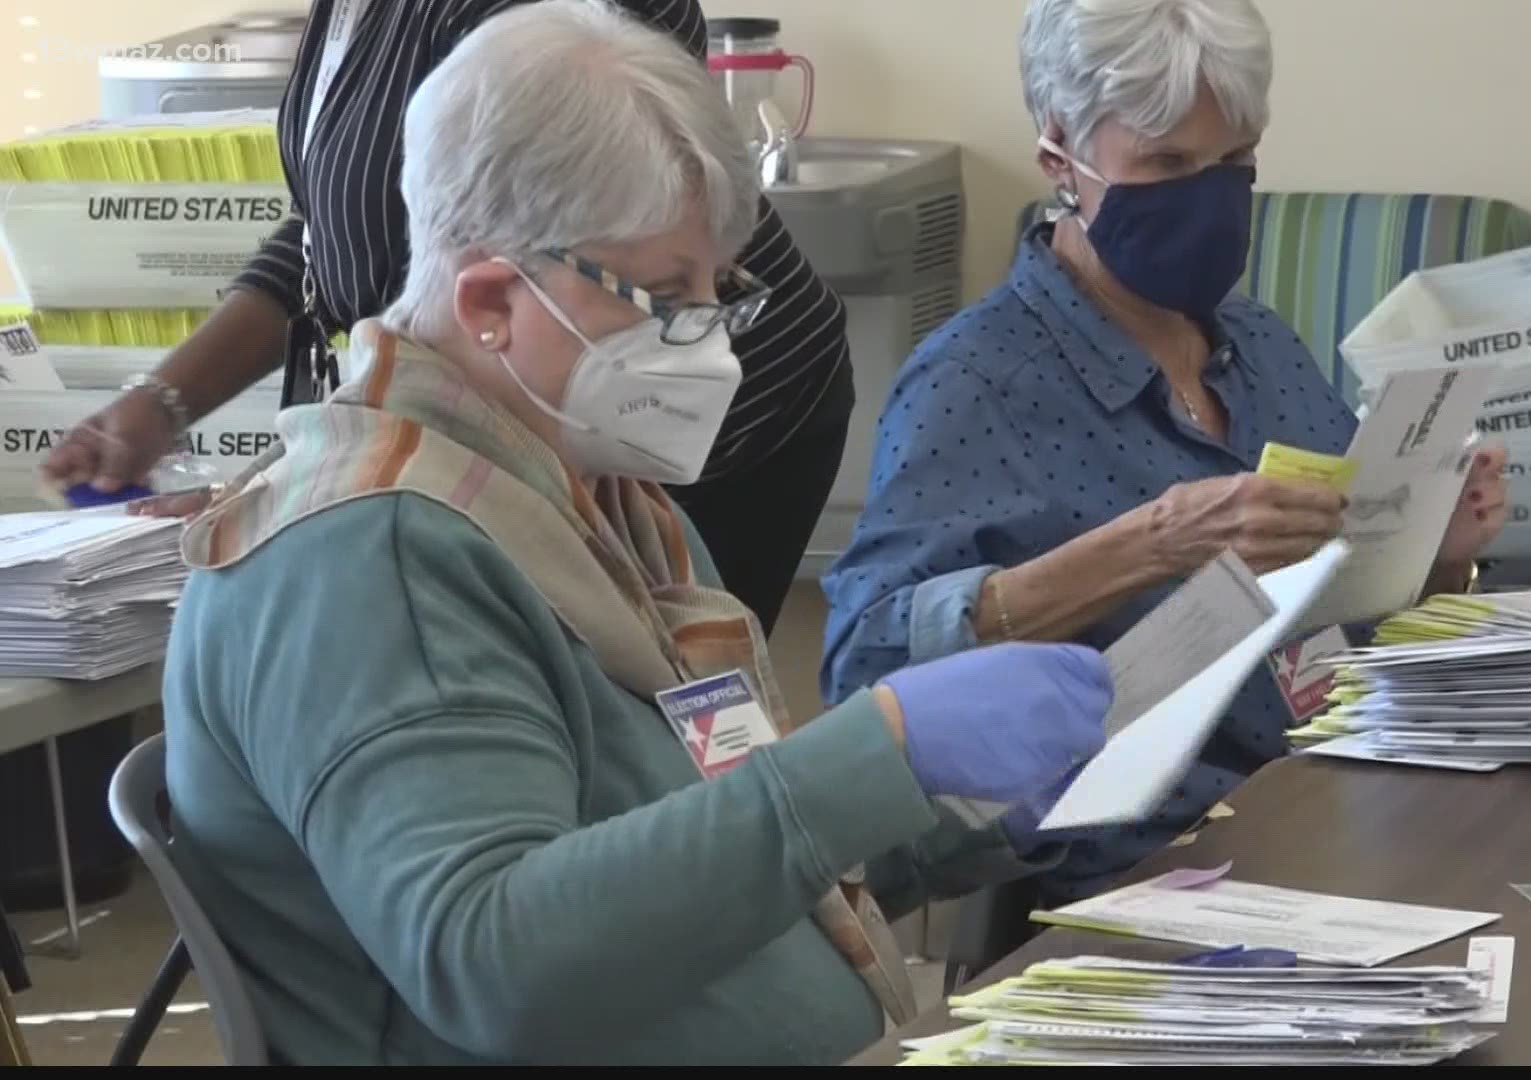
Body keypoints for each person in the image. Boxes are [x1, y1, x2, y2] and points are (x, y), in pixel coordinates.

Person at [161, 3, 1110, 1065]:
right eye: (664, 295)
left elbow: (724, 840)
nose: (709, 344)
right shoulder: (372, 554)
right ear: (487, 299)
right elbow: (496, 964)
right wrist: (877, 748)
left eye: (716, 290)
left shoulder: (593, 497)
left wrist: (964, 802)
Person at [821, 0, 1509, 905]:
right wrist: (1148, 545)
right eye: (1167, 165)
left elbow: (1339, 611)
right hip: (1137, 876)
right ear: (1058, 157)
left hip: (1336, 808)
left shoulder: (1259, 347)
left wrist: (1433, 549)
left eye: (1236, 163)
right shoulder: (974, 383)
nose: (1210, 199)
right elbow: (863, 675)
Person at [40, 0, 844, 633]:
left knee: (652, 728)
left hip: (657, 400)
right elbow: (334, 227)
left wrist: (295, 487)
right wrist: (164, 405)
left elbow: (493, 275)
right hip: (509, 415)